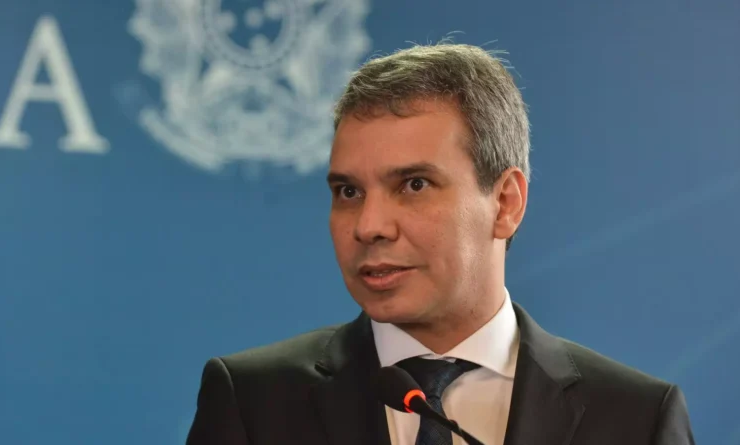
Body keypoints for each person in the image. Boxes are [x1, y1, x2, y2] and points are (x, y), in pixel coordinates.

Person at [185, 43, 695, 445]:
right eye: (349, 192)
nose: (369, 226)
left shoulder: (636, 419)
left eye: (414, 184)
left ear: (505, 203)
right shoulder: (253, 402)